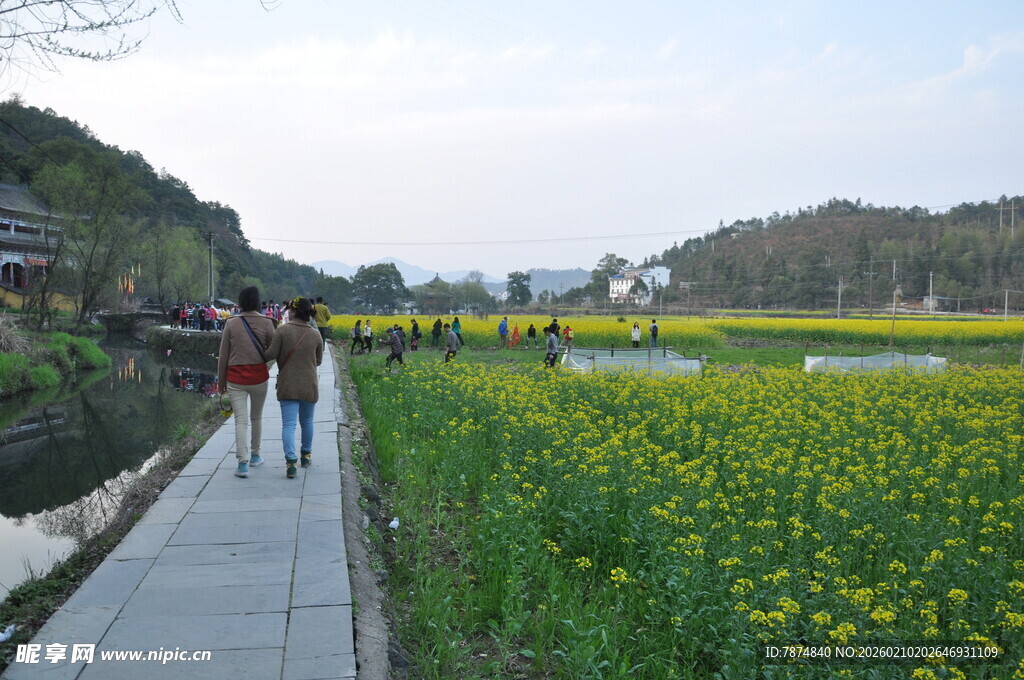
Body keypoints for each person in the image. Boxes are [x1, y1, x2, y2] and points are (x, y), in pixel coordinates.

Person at [217, 286, 276, 478]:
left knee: (240, 421)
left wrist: (221, 382)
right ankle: (256, 456)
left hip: (235, 379)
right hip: (259, 377)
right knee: (256, 417)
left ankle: (242, 464)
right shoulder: (268, 323)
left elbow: (223, 355)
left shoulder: (231, 323)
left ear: (240, 302)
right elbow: (273, 352)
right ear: (258, 302)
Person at [265, 297, 324, 479]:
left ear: (294, 311)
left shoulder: (282, 330)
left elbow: (270, 355)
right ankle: (306, 455)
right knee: (307, 422)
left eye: (289, 309)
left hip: (288, 384)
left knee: (288, 425)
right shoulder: (315, 334)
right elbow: (319, 361)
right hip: (309, 384)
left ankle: (291, 462)